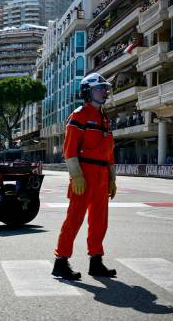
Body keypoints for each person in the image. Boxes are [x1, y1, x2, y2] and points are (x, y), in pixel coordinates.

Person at [52, 72, 117, 280]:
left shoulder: (104, 118)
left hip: (101, 176)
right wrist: (76, 176)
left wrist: (112, 179)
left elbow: (109, 152)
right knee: (74, 220)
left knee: (100, 221)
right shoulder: (79, 115)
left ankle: (96, 261)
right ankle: (61, 261)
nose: (105, 91)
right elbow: (69, 150)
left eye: (105, 88)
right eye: (100, 88)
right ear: (88, 91)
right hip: (84, 174)